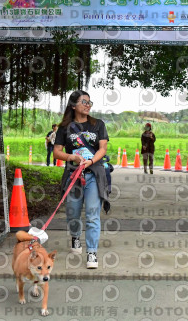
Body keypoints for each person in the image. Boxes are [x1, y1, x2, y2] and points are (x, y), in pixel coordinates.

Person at [53, 90, 109, 269]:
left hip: (94, 174)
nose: (88, 105)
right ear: (73, 105)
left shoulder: (98, 124)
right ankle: (75, 235)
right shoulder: (64, 128)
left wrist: (90, 162)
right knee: (73, 212)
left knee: (92, 214)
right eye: (84, 102)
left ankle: (92, 252)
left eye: (89, 102)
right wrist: (73, 158)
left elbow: (102, 149)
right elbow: (57, 152)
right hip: (73, 175)